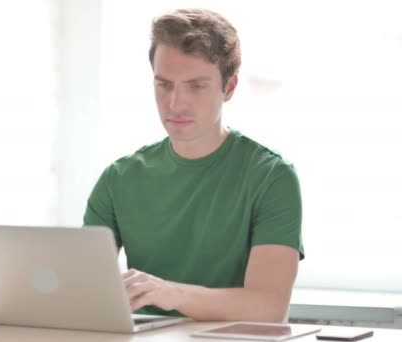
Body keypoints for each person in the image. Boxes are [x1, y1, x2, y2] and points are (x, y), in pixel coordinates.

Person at [83, 8, 303, 323]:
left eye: (196, 86)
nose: (175, 103)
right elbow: (85, 291)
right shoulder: (118, 178)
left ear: (229, 88)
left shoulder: (271, 176)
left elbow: (269, 308)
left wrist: (172, 294)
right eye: (164, 85)